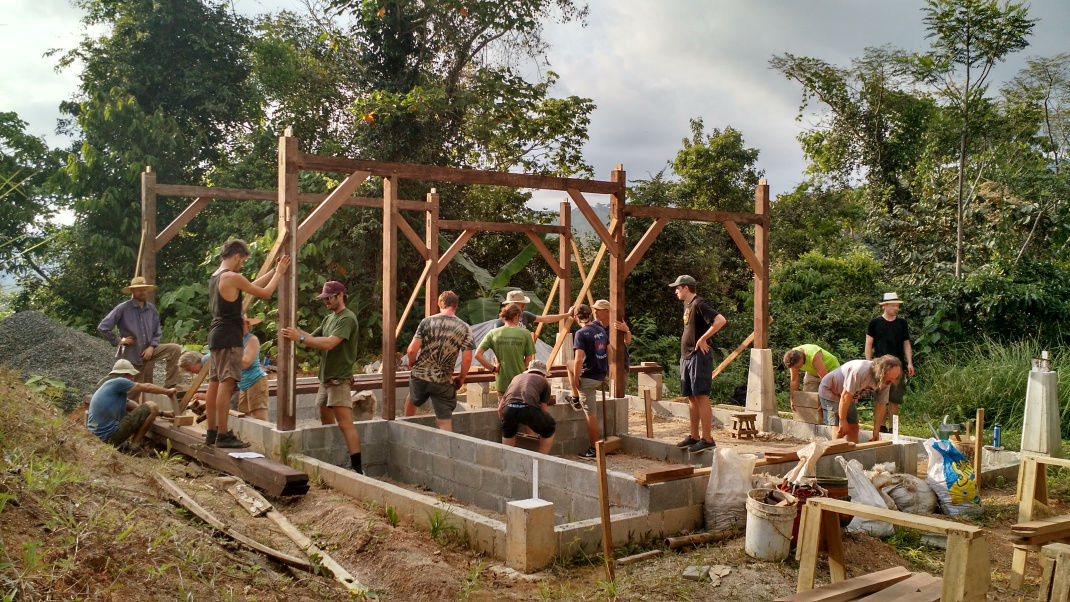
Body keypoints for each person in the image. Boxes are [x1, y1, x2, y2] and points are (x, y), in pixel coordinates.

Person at [204, 239, 289, 448]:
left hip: (216, 335)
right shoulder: (233, 276)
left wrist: (275, 270)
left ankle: (212, 432)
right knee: (227, 382)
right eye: (242, 261)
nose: (241, 265)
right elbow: (266, 293)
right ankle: (223, 435)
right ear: (236, 257)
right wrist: (279, 274)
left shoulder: (216, 277)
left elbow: (251, 286)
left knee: (214, 383)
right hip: (229, 337)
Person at [282, 281, 362, 473]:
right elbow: (312, 337)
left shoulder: (347, 318)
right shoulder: (329, 319)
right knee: (325, 417)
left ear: (340, 295)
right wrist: (292, 329)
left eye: (328, 298)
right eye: (324, 298)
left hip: (339, 380)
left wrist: (300, 338)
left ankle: (358, 469)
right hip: (326, 380)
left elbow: (328, 343)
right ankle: (334, 458)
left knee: (345, 424)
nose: (325, 301)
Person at [669, 275, 727, 453]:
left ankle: (707, 438)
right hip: (686, 357)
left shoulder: (699, 304)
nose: (676, 291)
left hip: (698, 357)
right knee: (691, 397)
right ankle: (693, 436)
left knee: (701, 396)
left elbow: (720, 320)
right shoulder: (686, 305)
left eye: (678, 288)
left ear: (686, 288)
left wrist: (703, 338)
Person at [404, 291, 476, 431]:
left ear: (440, 304)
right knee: (444, 422)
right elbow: (467, 358)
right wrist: (461, 378)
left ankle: (407, 428)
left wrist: (412, 363)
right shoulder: (465, 328)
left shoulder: (427, 322)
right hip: (443, 380)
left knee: (412, 400)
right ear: (455, 306)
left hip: (420, 376)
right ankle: (447, 450)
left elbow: (412, 350)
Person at [98, 276, 183, 392]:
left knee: (174, 349)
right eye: (139, 289)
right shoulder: (123, 308)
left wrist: (152, 347)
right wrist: (119, 341)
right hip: (132, 353)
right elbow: (103, 327)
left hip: (149, 349)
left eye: (144, 289)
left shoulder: (151, 309)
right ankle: (128, 408)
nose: (142, 292)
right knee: (133, 390)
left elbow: (157, 331)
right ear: (132, 291)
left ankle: (170, 386)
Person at [87, 359, 176, 450]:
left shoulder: (112, 389)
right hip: (109, 437)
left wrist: (163, 413)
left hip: (97, 438)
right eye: (132, 376)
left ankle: (127, 445)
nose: (133, 379)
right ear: (124, 375)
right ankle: (134, 447)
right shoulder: (119, 381)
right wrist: (168, 391)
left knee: (150, 407)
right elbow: (147, 387)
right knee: (152, 405)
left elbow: (137, 408)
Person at [818, 356, 902, 443]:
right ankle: (836, 455)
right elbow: (845, 396)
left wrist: (876, 430)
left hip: (848, 397)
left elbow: (881, 404)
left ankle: (853, 454)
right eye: (890, 377)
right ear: (881, 372)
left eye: (895, 377)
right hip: (830, 390)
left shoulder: (886, 381)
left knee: (854, 427)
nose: (892, 381)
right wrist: (842, 420)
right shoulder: (860, 371)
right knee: (840, 429)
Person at [865, 292, 914, 433]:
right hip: (880, 367)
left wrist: (909, 362)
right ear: (884, 306)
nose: (896, 308)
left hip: (898, 367)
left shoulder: (902, 323)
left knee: (895, 399)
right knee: (881, 398)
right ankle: (880, 427)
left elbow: (906, 343)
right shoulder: (874, 323)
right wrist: (868, 363)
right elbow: (869, 344)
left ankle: (894, 428)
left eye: (897, 305)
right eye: (893, 305)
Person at [566, 304, 608, 459]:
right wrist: (605, 374)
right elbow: (607, 352)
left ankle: (593, 450)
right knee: (568, 365)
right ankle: (575, 397)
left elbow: (578, 360)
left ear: (577, 318)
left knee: (591, 415)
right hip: (599, 375)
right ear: (590, 315)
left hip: (588, 377)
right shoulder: (600, 330)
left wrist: (576, 378)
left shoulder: (581, 333)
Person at [475, 303, 536, 400]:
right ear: (517, 316)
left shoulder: (493, 333)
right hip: (520, 383)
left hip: (502, 383)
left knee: (503, 411)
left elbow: (478, 355)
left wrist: (493, 369)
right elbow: (529, 358)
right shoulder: (525, 333)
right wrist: (522, 369)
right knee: (519, 411)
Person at [497, 360, 556, 454]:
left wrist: (505, 422)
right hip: (529, 408)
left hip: (508, 408)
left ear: (528, 370)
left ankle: (508, 461)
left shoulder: (516, 378)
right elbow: (543, 408)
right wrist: (541, 428)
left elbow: (500, 408)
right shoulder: (543, 382)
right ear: (543, 374)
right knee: (550, 429)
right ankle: (541, 460)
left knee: (508, 433)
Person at [783, 344, 840, 411]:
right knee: (809, 401)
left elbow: (826, 380)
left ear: (802, 358)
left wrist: (826, 398)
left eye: (797, 366)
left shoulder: (814, 356)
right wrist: (792, 398)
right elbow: (794, 380)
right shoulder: (792, 358)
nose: (796, 369)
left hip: (831, 371)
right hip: (812, 372)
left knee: (830, 403)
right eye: (794, 368)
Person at [492, 290, 573, 330]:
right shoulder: (499, 323)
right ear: (512, 304)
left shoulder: (525, 315)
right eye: (521, 303)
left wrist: (567, 315)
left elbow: (546, 319)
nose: (524, 305)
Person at [592, 298, 631, 373]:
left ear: (607, 311)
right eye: (594, 309)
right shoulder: (594, 325)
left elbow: (627, 341)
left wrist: (626, 330)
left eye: (598, 310)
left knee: (618, 384)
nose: (595, 312)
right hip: (601, 367)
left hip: (619, 366)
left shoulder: (616, 324)